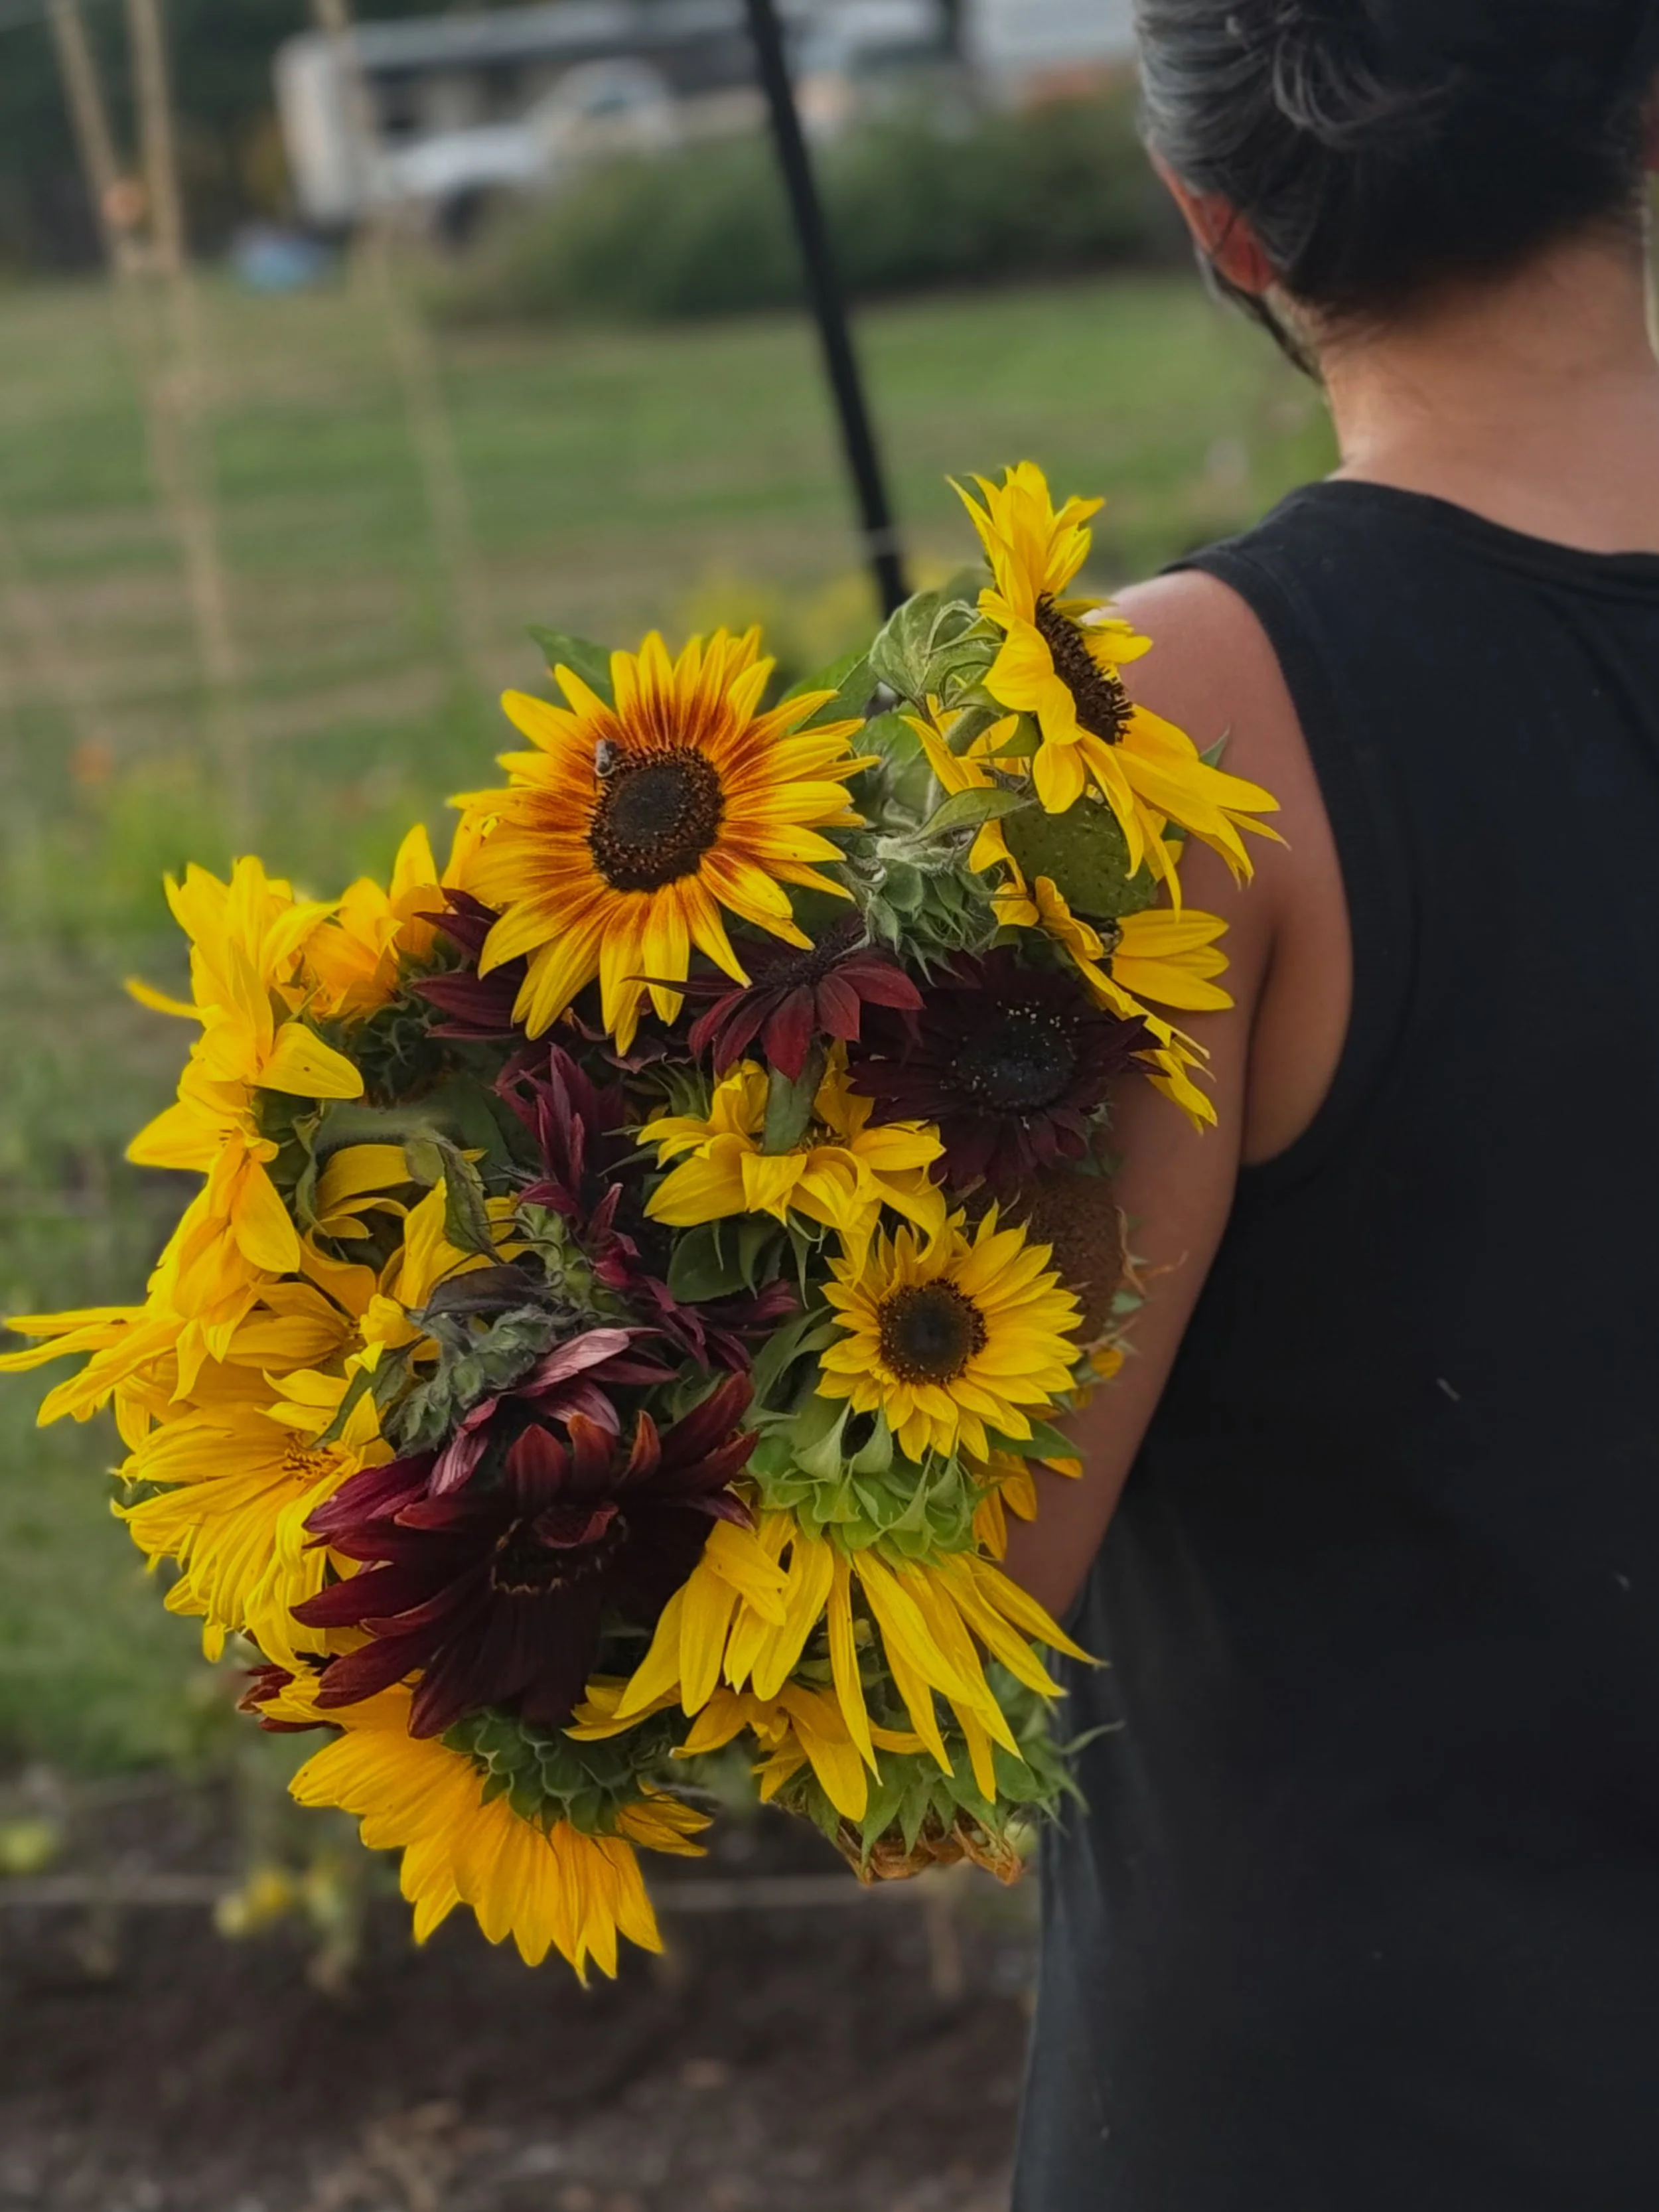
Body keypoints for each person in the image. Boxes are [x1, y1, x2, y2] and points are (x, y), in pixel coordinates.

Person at [1003, 3, 1659, 2205]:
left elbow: (984, 1551)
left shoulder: (1178, 719)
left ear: (1220, 226)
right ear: (1646, 113)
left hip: (1359, 2091)